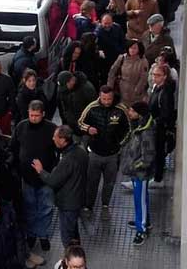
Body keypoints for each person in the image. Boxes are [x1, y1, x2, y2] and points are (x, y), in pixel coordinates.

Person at [11, 100, 57, 261]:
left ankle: (43, 235)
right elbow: (13, 148)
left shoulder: (52, 129)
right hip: (27, 178)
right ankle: (31, 234)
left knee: (46, 208)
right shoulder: (21, 127)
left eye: (37, 115)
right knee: (29, 208)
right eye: (31, 115)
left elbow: (60, 150)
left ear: (43, 114)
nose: (34, 118)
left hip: (46, 179)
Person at [78, 86, 130, 220]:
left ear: (113, 97)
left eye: (109, 99)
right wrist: (88, 129)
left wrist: (120, 144)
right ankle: (88, 206)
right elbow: (80, 123)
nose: (107, 101)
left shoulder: (121, 109)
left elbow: (128, 129)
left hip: (113, 155)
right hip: (95, 153)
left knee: (109, 183)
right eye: (104, 99)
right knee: (91, 182)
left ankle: (105, 206)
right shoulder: (91, 107)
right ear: (100, 97)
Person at [32, 126, 88, 247]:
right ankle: (76, 251)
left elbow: (53, 181)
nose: (52, 138)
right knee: (73, 230)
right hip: (78, 198)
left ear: (63, 140)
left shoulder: (68, 159)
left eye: (55, 137)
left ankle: (70, 258)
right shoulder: (81, 151)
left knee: (67, 234)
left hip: (68, 203)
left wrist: (40, 171)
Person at [120, 102, 156, 245]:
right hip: (138, 173)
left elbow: (147, 157)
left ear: (139, 113)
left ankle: (141, 231)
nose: (129, 112)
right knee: (142, 198)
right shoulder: (141, 125)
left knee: (139, 201)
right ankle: (145, 222)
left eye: (132, 110)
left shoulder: (146, 131)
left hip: (140, 174)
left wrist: (134, 166)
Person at [148, 64, 176, 188]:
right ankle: (155, 176)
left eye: (158, 75)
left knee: (159, 152)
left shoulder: (165, 93)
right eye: (153, 75)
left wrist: (154, 122)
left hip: (160, 129)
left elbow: (166, 113)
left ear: (165, 77)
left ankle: (157, 178)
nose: (154, 77)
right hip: (155, 126)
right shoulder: (157, 88)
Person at [107, 39, 149, 107]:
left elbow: (143, 78)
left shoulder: (143, 61)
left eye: (135, 48)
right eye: (130, 48)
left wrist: (137, 90)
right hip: (121, 91)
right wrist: (110, 87)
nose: (132, 50)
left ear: (139, 49)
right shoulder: (122, 58)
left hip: (136, 94)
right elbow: (112, 72)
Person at [57, 71, 97, 143]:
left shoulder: (87, 89)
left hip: (86, 129)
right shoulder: (63, 89)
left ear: (72, 81)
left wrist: (89, 127)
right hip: (71, 127)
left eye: (66, 85)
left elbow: (94, 109)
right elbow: (63, 107)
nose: (64, 88)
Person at [95, 14, 126, 84]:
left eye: (109, 23)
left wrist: (122, 53)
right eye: (105, 23)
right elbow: (96, 45)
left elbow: (123, 41)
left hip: (117, 56)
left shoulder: (117, 28)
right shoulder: (98, 32)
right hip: (105, 59)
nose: (107, 25)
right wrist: (99, 51)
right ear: (101, 23)